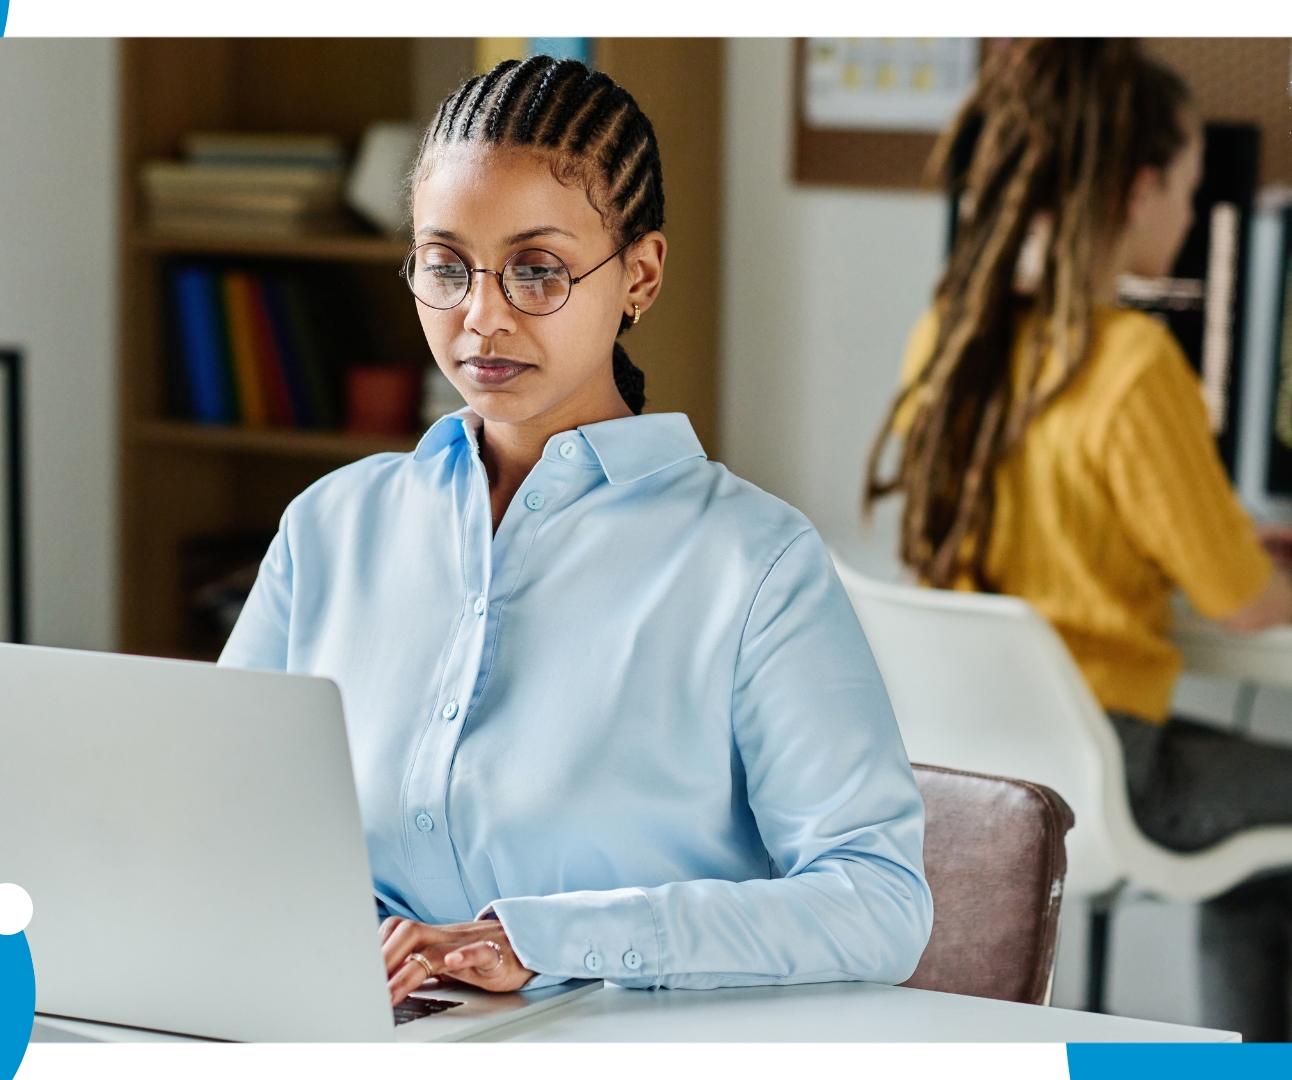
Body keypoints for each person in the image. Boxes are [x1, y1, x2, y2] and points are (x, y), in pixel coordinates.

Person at [222, 57, 931, 1002]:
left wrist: (555, 938)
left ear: (638, 275)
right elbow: (218, 823)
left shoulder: (753, 564)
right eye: (445, 267)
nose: (480, 318)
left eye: (536, 271)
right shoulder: (330, 527)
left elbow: (878, 904)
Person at [867, 39, 1292, 1042]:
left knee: (1281, 853)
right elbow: (1244, 602)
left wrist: (1213, 537)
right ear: (1137, 191)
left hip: (973, 772)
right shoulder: (1131, 360)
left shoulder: (954, 332)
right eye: (1186, 186)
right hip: (1110, 763)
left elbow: (1071, 519)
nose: (1187, 211)